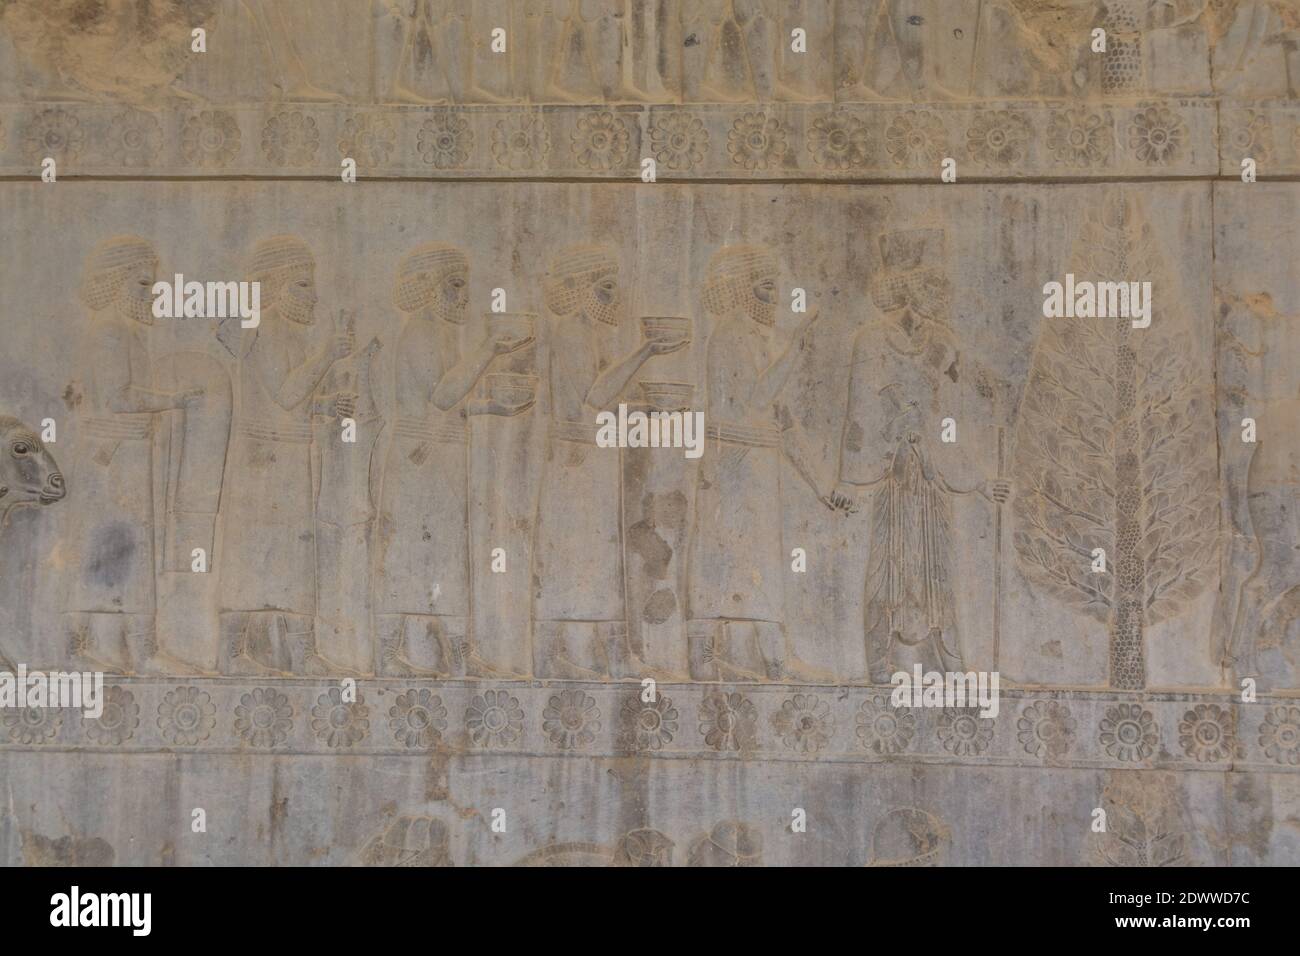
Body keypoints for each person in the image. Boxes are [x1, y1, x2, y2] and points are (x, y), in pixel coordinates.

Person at [375, 242, 532, 676]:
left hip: (438, 455)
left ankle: (460, 654)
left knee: (446, 557)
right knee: (411, 553)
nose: (465, 296)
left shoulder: (440, 332)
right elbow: (442, 396)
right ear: (429, 288)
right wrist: (489, 350)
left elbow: (449, 405)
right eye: (456, 285)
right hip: (419, 461)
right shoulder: (421, 332)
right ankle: (390, 656)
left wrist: (491, 408)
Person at [66, 236, 203, 674]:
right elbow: (118, 397)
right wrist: (175, 399)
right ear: (118, 282)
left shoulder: (122, 331)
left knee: (130, 546)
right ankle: (112, 650)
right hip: (113, 455)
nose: (153, 293)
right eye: (144, 284)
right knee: (115, 547)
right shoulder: (109, 331)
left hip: (125, 455)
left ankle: (139, 648)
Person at [219, 236, 354, 675]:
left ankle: (301, 650)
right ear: (274, 287)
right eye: (302, 286)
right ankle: (231, 653)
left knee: (294, 554)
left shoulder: (286, 333)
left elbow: (296, 398)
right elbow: (287, 394)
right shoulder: (270, 329)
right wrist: (330, 352)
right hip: (264, 461)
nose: (313, 296)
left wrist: (327, 406)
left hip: (288, 456)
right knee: (254, 553)